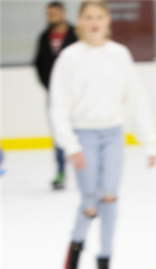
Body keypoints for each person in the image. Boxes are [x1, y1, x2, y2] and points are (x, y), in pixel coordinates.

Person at [50, 0, 156, 269]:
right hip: (83, 135)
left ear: (108, 21)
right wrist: (69, 144)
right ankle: (76, 245)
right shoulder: (70, 58)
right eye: (89, 17)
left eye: (100, 16)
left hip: (112, 134)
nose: (95, 22)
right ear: (80, 22)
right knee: (90, 201)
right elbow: (57, 105)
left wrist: (149, 139)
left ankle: (104, 264)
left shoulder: (118, 55)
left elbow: (136, 97)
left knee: (109, 199)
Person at [35, 1, 78, 191]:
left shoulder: (76, 35)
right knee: (59, 132)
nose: (49, 18)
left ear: (62, 14)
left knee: (80, 131)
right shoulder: (44, 37)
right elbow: (38, 64)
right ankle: (61, 171)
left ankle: (85, 171)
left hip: (77, 95)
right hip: (54, 95)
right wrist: (51, 87)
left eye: (53, 14)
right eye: (47, 14)